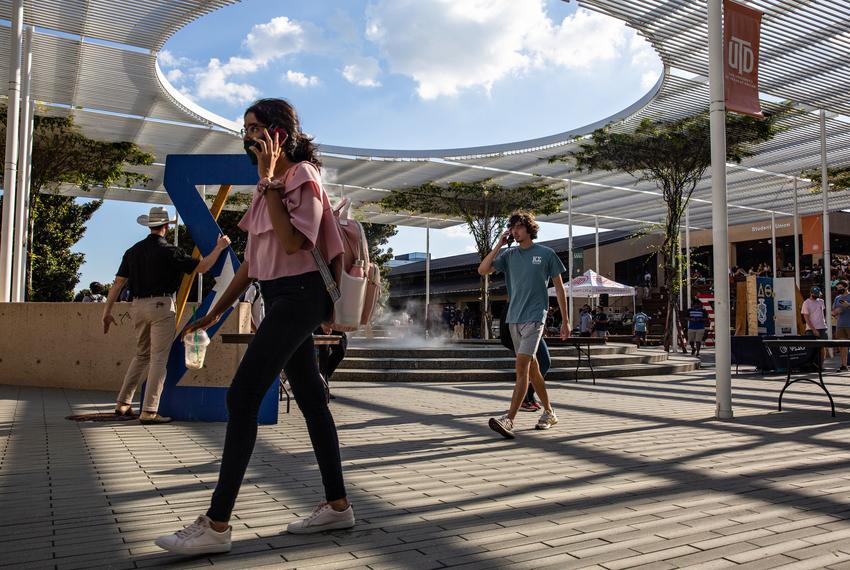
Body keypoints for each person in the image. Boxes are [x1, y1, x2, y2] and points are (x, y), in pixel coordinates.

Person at [155, 98, 354, 556]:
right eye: (244, 130)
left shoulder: (301, 176)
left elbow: (292, 241)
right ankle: (338, 505)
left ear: (279, 133)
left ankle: (217, 525)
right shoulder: (268, 186)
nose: (247, 137)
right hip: (281, 297)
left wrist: (267, 182)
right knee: (310, 397)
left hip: (302, 295)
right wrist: (214, 312)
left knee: (241, 396)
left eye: (254, 128)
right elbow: (251, 263)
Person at [102, 206, 231, 425]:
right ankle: (150, 411)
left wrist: (107, 312)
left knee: (141, 355)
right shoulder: (170, 251)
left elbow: (117, 284)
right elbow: (202, 267)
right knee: (159, 358)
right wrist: (219, 248)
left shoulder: (132, 251)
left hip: (137, 306)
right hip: (161, 306)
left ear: (149, 226)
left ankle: (122, 404)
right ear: (166, 227)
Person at [478, 211, 570, 439]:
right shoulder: (509, 256)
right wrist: (499, 244)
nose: (515, 231)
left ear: (529, 229)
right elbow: (483, 270)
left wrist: (566, 321)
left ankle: (509, 419)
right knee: (534, 368)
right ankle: (549, 412)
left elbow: (559, 288)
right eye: (513, 227)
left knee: (522, 368)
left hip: (535, 316)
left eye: (519, 227)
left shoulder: (546, 254)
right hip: (514, 318)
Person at [317, 323, 347, 399]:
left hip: (335, 322)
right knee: (324, 355)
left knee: (341, 350)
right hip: (322, 321)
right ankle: (322, 389)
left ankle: (319, 381)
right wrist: (323, 323)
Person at [832, 280, 850, 372]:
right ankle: (844, 365)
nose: (838, 289)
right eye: (837, 288)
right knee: (843, 346)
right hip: (840, 325)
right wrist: (835, 312)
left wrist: (848, 305)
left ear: (846, 287)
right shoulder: (837, 298)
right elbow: (833, 312)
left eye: (840, 288)